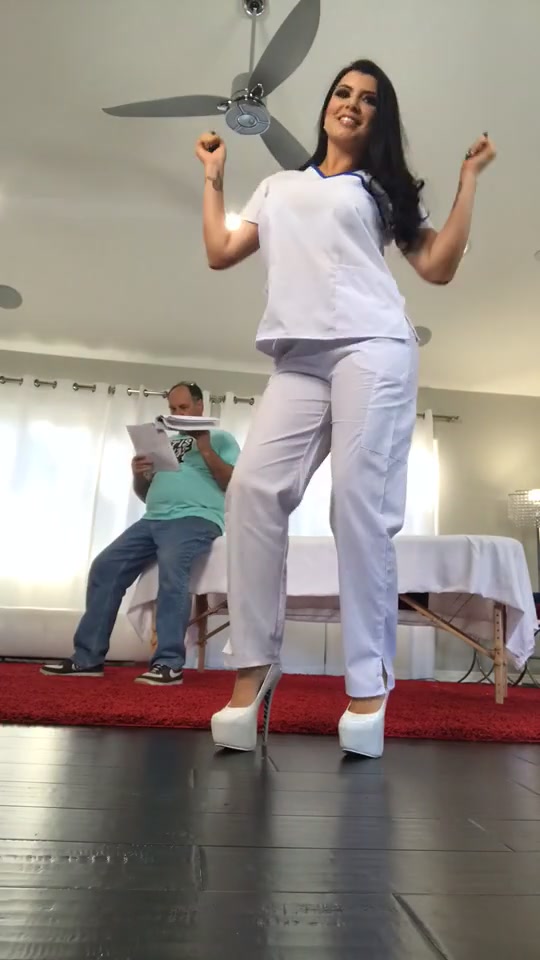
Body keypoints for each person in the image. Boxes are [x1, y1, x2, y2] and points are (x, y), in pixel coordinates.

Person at [195, 58, 496, 753]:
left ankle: (367, 684)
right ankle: (253, 670)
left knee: (357, 505)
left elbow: (437, 266)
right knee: (252, 492)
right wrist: (213, 176)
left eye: (368, 99)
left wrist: (468, 181)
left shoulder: (382, 189)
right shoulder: (277, 186)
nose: (351, 103)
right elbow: (219, 250)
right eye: (342, 92)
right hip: (297, 357)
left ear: (379, 119)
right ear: (327, 105)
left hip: (373, 345)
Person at [42, 381, 240, 685]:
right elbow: (147, 494)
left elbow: (233, 483)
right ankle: (87, 658)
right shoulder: (165, 443)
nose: (177, 413)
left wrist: (204, 447)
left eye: (183, 407)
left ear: (200, 406)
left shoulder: (221, 438)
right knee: (105, 567)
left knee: (172, 573)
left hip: (195, 518)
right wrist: (139, 475)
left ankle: (169, 663)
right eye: (172, 408)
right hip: (153, 518)